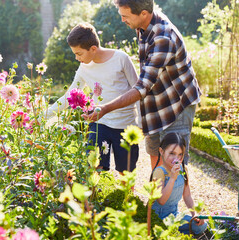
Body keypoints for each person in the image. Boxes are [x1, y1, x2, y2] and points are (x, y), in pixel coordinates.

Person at [83, 0, 201, 170]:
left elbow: (142, 87)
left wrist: (105, 108)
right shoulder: (143, 26)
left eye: (125, 16)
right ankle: (157, 194)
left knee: (174, 161)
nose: (123, 20)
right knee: (155, 152)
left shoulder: (163, 37)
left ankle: (175, 196)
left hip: (177, 105)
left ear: (143, 13)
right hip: (157, 102)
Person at [45, 22, 140, 172]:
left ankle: (128, 195)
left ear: (93, 49)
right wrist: (44, 115)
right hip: (99, 122)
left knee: (125, 172)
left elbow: (138, 90)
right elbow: (68, 96)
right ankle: (94, 194)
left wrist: (140, 123)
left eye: (79, 53)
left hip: (125, 124)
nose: (76, 58)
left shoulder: (121, 59)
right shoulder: (84, 68)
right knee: (94, 166)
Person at [150, 132, 207, 236]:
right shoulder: (159, 172)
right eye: (172, 153)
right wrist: (172, 178)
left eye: (180, 154)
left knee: (201, 225)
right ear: (161, 151)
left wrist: (195, 214)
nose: (176, 158)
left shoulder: (183, 170)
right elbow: (161, 201)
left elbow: (187, 195)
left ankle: (179, 233)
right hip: (158, 218)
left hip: (174, 215)